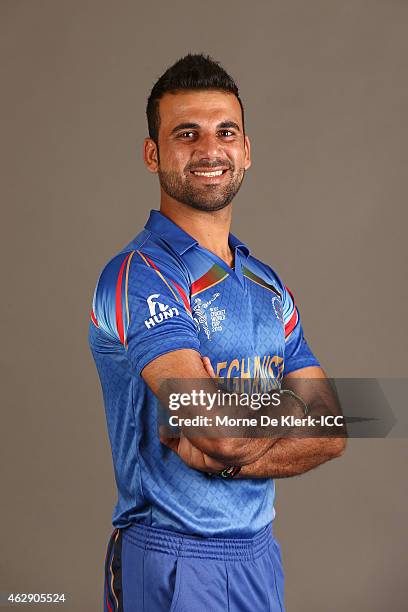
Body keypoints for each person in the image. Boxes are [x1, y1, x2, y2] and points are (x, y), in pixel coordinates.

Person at [89, 53, 346, 612]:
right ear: (153, 153)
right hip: (171, 557)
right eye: (187, 134)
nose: (210, 150)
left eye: (225, 132)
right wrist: (277, 412)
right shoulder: (139, 275)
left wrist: (225, 451)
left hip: (258, 555)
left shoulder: (267, 286)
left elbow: (332, 425)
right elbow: (220, 429)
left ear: (246, 151)